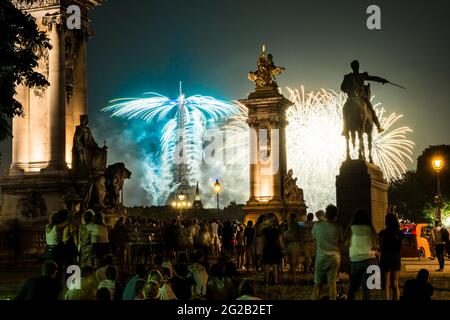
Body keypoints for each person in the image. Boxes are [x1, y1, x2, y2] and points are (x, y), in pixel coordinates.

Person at [340, 59, 387, 133]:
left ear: (352, 67)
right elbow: (373, 78)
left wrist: (348, 90)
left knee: (345, 110)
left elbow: (342, 88)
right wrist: (382, 80)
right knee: (372, 110)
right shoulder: (362, 75)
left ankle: (345, 129)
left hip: (351, 97)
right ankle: (378, 127)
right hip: (362, 97)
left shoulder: (348, 76)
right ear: (358, 67)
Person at [344, 208, 379, 300]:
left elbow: (346, 243)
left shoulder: (351, 229)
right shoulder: (370, 229)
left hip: (355, 260)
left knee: (352, 288)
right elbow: (376, 245)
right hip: (369, 260)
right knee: (366, 289)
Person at [311, 205, 343, 300]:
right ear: (336, 215)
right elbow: (341, 242)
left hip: (321, 257)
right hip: (335, 258)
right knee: (332, 284)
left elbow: (314, 240)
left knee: (317, 285)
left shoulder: (317, 226)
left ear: (326, 214)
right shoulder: (338, 228)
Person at [378, 213, 403, 300]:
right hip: (396, 257)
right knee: (395, 283)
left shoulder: (383, 233)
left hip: (386, 257)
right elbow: (400, 246)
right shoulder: (400, 233)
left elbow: (380, 247)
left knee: (386, 284)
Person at [262, 215, 283, 286]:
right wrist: (282, 248)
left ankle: (267, 282)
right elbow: (280, 240)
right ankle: (276, 282)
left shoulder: (265, 229)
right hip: (275, 247)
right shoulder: (278, 229)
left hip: (267, 247)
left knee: (267, 266)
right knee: (275, 265)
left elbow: (263, 240)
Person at [284, 213, 302, 283]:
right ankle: (294, 277)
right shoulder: (298, 225)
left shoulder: (288, 226)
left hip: (290, 245)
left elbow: (286, 236)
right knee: (295, 262)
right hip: (296, 244)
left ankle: (293, 277)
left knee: (292, 263)